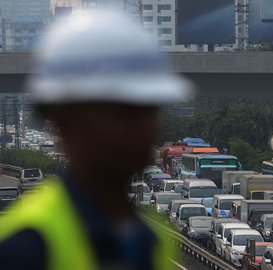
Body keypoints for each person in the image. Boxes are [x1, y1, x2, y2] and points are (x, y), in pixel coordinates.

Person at [0, 10, 191, 270]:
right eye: (121, 112)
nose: (141, 127)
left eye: (149, 110)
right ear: (63, 120)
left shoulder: (154, 239)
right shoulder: (25, 245)